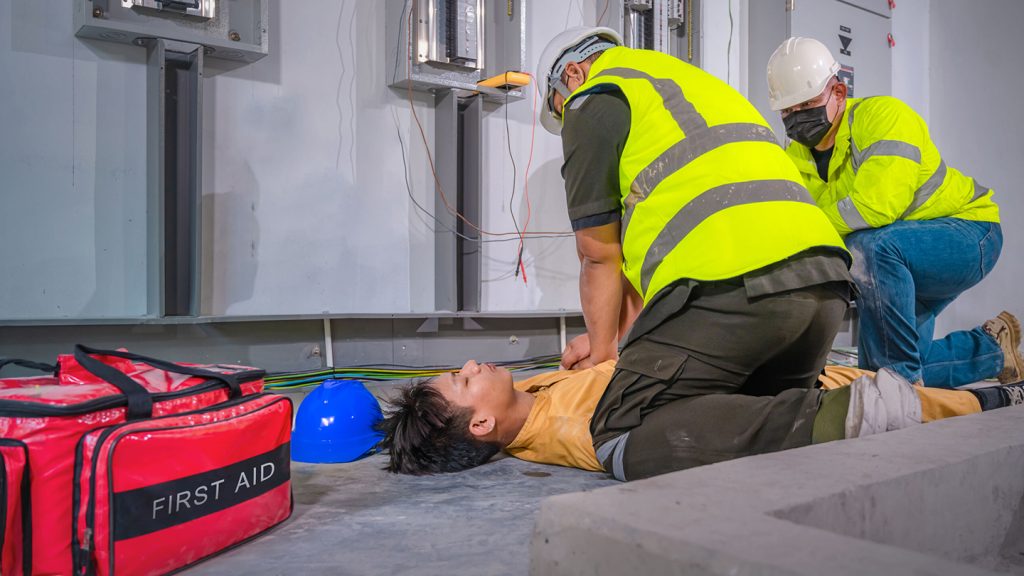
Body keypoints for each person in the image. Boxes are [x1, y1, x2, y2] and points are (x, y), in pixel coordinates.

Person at [535, 27, 857, 472]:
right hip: (826, 288)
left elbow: (598, 255)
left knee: (616, 431)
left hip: (738, 290)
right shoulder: (687, 82)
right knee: (744, 417)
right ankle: (849, 414)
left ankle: (843, 417)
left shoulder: (591, 98)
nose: (566, 117)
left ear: (571, 74)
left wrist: (603, 352)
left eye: (559, 107)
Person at [766, 37, 1023, 388]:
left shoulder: (883, 117)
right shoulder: (796, 155)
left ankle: (898, 386)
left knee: (869, 247)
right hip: (900, 257)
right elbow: (795, 221)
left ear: (838, 93)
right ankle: (992, 351)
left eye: (807, 104)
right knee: (879, 364)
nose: (798, 118)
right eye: (788, 111)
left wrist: (808, 230)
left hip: (968, 234)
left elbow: (875, 207)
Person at [377, 359, 1024, 481]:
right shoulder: (581, 433)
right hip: (800, 390)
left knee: (905, 377)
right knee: (908, 399)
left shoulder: (537, 393)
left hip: (804, 374)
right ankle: (999, 398)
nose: (470, 363)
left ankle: (991, 369)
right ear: (483, 426)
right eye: (464, 382)